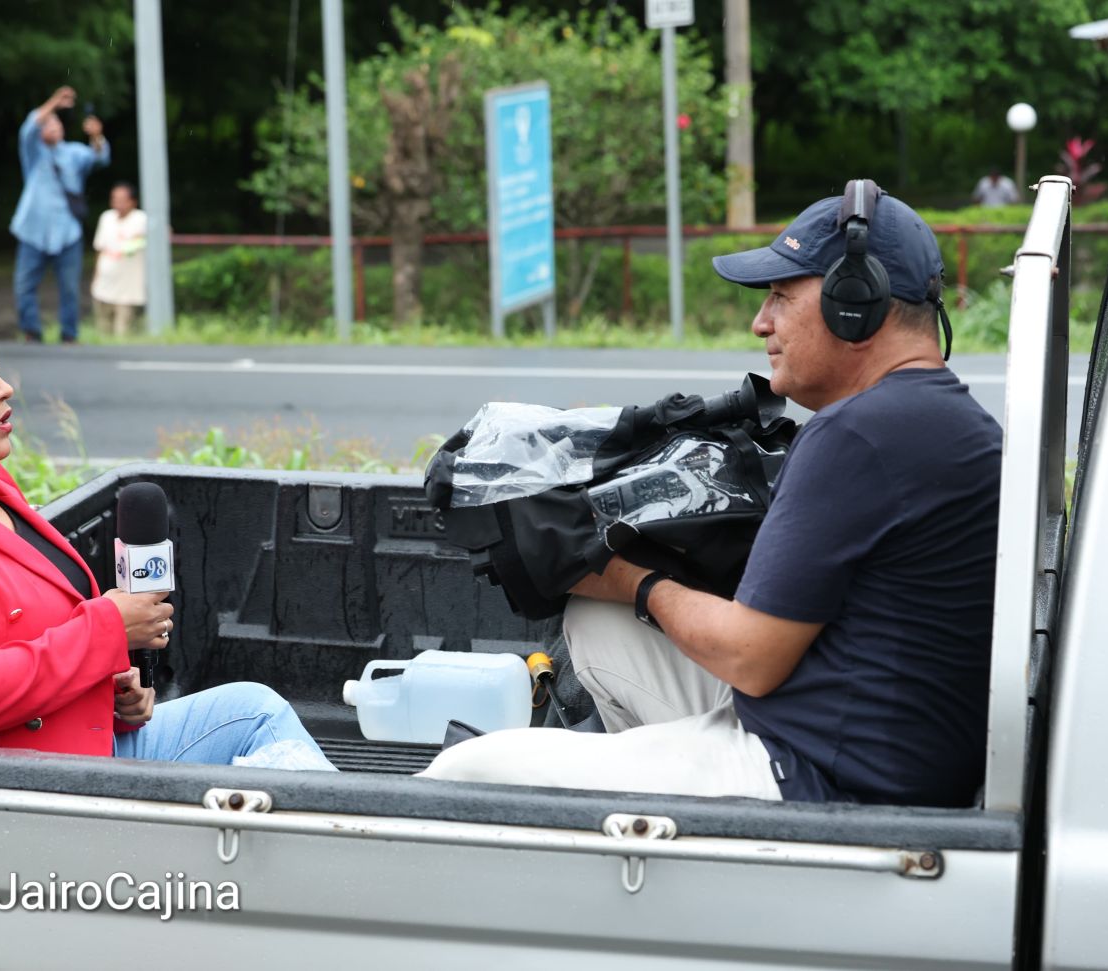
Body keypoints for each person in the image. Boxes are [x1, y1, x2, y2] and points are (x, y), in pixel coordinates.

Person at [421, 182, 1002, 807]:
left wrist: (631, 578)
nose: (762, 323)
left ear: (852, 303)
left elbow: (752, 657)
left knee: (468, 770)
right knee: (598, 621)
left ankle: (672, 828)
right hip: (886, 747)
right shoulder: (957, 424)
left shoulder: (856, 434)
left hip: (817, 778)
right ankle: (653, 810)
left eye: (781, 296)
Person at [0, 285, 336, 771]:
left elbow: (24, 634)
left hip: (82, 744)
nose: (2, 389)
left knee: (257, 711)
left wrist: (109, 690)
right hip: (10, 782)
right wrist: (106, 633)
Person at [10, 86, 109, 345]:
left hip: (68, 231)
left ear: (63, 129)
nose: (51, 126)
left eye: (55, 123)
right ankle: (32, 332)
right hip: (32, 230)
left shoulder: (74, 153)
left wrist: (97, 136)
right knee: (23, 286)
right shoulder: (32, 151)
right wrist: (54, 102)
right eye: (47, 123)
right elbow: (28, 127)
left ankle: (69, 335)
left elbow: (100, 158)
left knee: (69, 289)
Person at [91, 182, 148, 337]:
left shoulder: (142, 219)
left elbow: (164, 233)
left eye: (123, 200)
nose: (118, 204)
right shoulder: (106, 217)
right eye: (115, 199)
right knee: (103, 332)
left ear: (133, 201)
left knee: (123, 333)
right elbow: (100, 249)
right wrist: (96, 277)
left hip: (128, 291)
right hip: (104, 287)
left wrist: (143, 238)